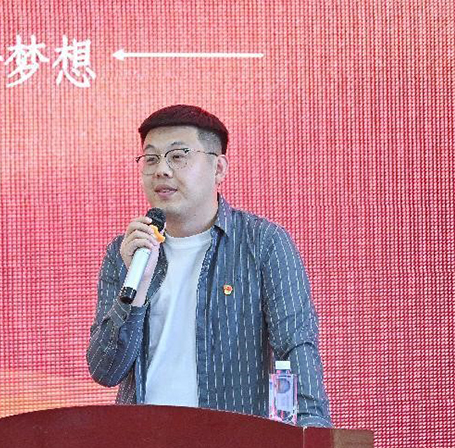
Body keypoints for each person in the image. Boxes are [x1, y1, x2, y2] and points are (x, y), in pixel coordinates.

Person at [86, 104, 331, 426]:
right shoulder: (128, 251)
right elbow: (105, 370)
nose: (162, 170)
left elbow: (295, 346)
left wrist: (311, 434)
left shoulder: (263, 243)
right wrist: (138, 289)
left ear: (219, 168)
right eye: (151, 158)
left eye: (178, 156)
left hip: (232, 442)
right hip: (144, 442)